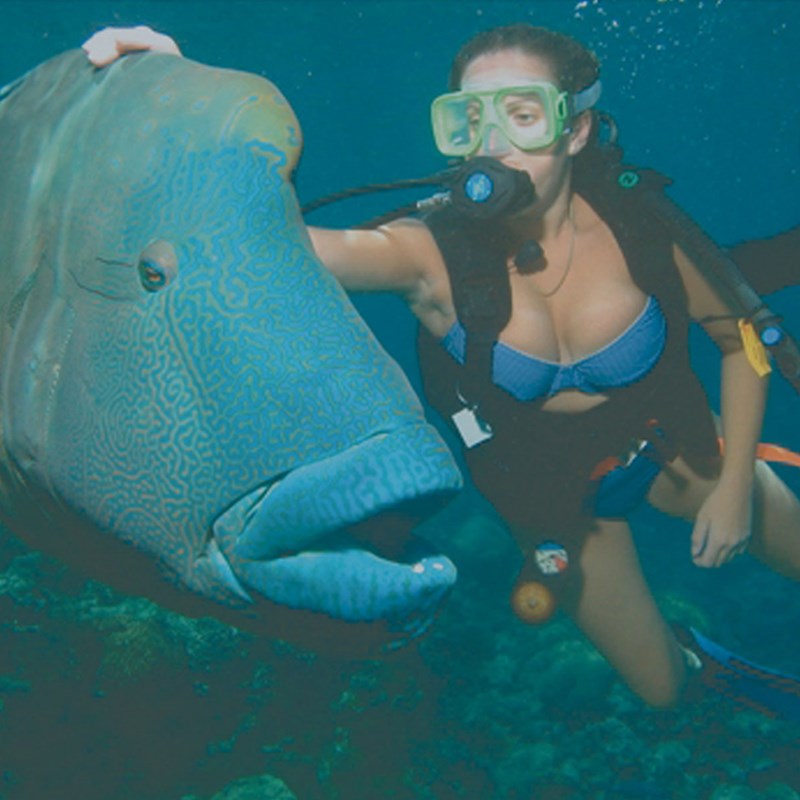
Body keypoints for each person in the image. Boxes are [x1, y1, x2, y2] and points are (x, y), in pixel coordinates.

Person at [82, 23, 800, 710]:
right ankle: (715, 669)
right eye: (469, 122)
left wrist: (736, 485)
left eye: (523, 116)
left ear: (575, 129)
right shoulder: (429, 253)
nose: (494, 147)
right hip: (552, 498)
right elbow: (276, 244)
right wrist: (181, 111)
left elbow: (739, 337)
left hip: (681, 443)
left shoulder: (640, 223)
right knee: (662, 690)